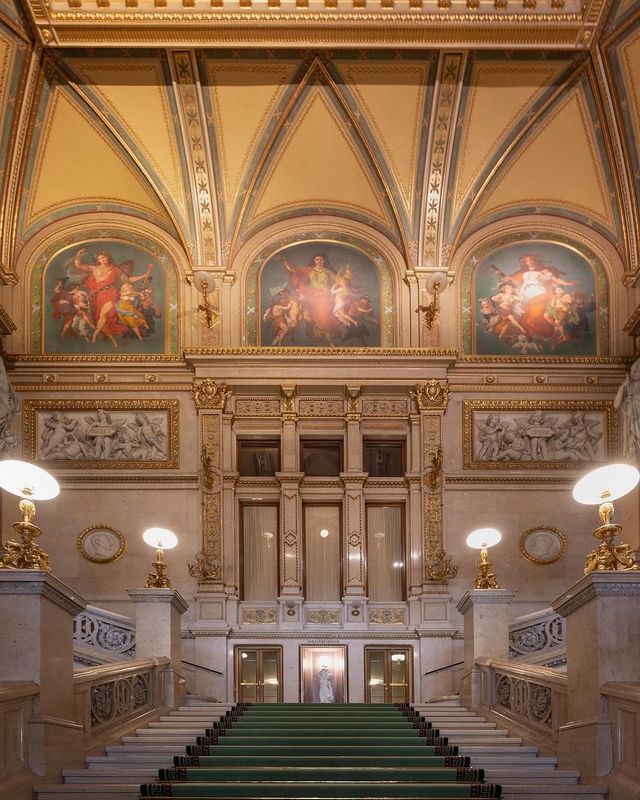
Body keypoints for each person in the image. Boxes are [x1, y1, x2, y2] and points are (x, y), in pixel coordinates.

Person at [614, 359, 640, 462]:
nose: (633, 373)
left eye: (636, 370)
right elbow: (616, 405)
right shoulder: (627, 387)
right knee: (633, 446)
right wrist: (623, 386)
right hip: (631, 423)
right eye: (632, 370)